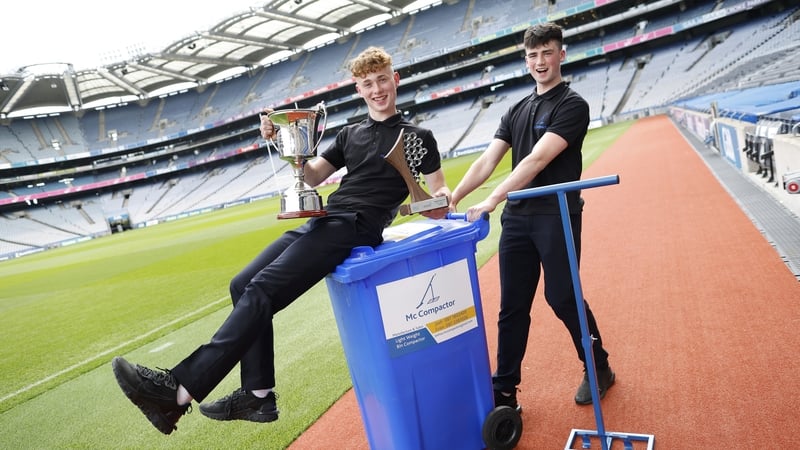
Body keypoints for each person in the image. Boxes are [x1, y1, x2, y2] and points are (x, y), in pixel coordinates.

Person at [111, 46, 451, 435]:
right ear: (358, 89)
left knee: (261, 290)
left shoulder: (417, 137)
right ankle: (258, 394)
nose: (377, 89)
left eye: (382, 80)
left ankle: (179, 390)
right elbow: (310, 176)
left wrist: (428, 199)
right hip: (323, 218)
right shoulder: (350, 133)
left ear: (396, 79)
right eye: (367, 83)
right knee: (241, 284)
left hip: (356, 226)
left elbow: (441, 196)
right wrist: (283, 141)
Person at [448, 22, 613, 410]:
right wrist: (454, 197)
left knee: (562, 297)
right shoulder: (516, 108)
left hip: (556, 213)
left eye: (547, 52)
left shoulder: (572, 105)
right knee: (513, 305)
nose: (540, 61)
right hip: (519, 219)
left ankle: (598, 366)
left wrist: (492, 200)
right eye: (533, 55)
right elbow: (489, 159)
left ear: (561, 54)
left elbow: (538, 159)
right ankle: (505, 390)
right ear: (526, 60)